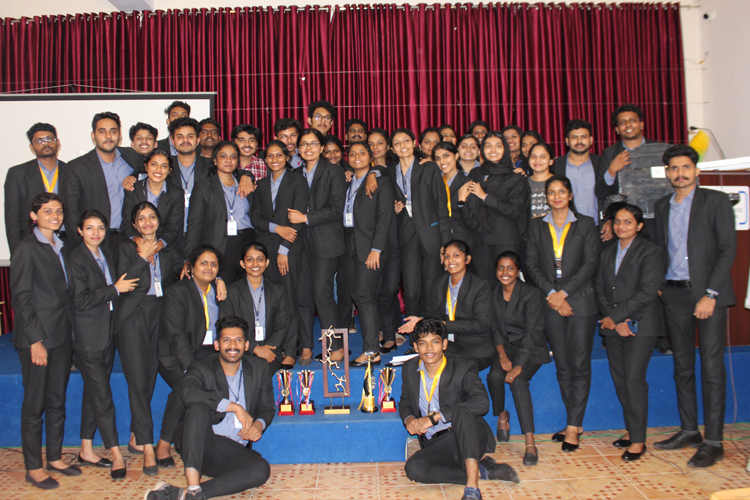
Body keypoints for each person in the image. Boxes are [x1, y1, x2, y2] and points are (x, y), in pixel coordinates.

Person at [652, 145, 736, 468]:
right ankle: (689, 430)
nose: (680, 173)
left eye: (686, 167)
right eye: (674, 168)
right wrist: (660, 286)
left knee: (712, 368)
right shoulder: (662, 206)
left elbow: (728, 250)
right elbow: (661, 249)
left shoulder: (715, 201)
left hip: (708, 296)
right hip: (674, 295)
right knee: (682, 367)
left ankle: (714, 441)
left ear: (697, 171)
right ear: (667, 173)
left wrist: (710, 294)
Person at [145, 316, 274, 500]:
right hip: (201, 444)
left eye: (238, 340)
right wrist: (233, 407)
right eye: (226, 340)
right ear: (216, 345)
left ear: (246, 345)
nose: (233, 346)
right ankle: (193, 484)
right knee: (198, 408)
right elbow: (187, 392)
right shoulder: (201, 367)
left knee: (261, 469)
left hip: (232, 449)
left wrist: (258, 425)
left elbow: (267, 407)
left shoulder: (259, 368)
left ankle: (183, 494)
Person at [400, 319, 518, 500]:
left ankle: (472, 489)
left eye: (435, 342)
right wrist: (409, 419)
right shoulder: (410, 368)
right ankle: (482, 471)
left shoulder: (463, 366)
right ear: (416, 347)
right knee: (414, 468)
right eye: (423, 343)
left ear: (444, 344)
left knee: (460, 411)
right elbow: (405, 401)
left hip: (467, 433)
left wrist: (435, 417)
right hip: (438, 441)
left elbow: (481, 402)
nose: (429, 349)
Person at [524, 175, 600, 452]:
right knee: (563, 366)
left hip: (580, 302)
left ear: (570, 195)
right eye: (551, 192)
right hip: (550, 302)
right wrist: (552, 294)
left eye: (561, 191)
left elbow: (590, 264)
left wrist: (564, 293)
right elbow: (531, 264)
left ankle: (572, 426)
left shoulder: (586, 224)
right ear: (546, 196)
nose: (556, 196)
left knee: (579, 365)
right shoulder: (536, 225)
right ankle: (573, 422)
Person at [11, 192, 77, 490]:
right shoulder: (26, 248)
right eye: (48, 211)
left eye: (59, 211)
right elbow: (21, 299)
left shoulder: (61, 246)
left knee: (57, 400)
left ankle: (54, 458)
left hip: (62, 335)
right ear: (33, 215)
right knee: (35, 404)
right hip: (38, 338)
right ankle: (33, 467)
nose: (55, 216)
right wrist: (35, 341)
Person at [69, 210, 136, 480]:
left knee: (93, 393)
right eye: (90, 228)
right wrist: (116, 289)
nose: (96, 233)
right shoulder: (75, 259)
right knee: (103, 396)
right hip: (88, 339)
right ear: (80, 231)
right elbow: (80, 300)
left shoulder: (106, 252)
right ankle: (116, 454)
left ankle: (86, 449)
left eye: (100, 228)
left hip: (107, 333)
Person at [594, 203, 664, 461]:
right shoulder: (607, 251)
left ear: (639, 225)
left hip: (640, 326)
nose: (621, 226)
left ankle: (638, 440)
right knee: (621, 380)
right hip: (614, 326)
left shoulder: (651, 252)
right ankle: (631, 429)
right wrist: (612, 319)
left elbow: (647, 292)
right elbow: (599, 286)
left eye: (627, 222)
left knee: (634, 381)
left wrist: (617, 317)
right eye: (617, 221)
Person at [115, 201, 180, 476]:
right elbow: (125, 282)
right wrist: (142, 257)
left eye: (152, 217)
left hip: (160, 315)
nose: (147, 222)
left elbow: (177, 279)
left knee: (151, 378)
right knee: (138, 381)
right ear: (134, 224)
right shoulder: (126, 247)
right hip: (133, 316)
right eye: (141, 218)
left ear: (159, 220)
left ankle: (136, 436)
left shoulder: (168, 250)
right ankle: (148, 447)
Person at [288, 128, 347, 364]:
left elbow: (336, 208)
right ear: (298, 149)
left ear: (322, 147)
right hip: (298, 241)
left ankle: (335, 346)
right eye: (304, 144)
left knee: (322, 293)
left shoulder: (334, 171)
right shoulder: (294, 174)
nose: (308, 148)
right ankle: (306, 347)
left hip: (325, 241)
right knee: (303, 295)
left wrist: (306, 217)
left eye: (313, 143)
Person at [161, 245, 222, 469]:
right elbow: (176, 336)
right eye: (203, 263)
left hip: (207, 352)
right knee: (186, 388)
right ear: (191, 267)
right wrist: (189, 368)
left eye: (213, 264)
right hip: (175, 355)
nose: (209, 268)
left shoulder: (218, 291)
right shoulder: (177, 292)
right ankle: (163, 444)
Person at [250, 140, 309, 368]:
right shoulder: (261, 184)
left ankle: (291, 351)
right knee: (272, 301)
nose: (274, 160)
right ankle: (275, 347)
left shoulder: (298, 181)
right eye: (270, 156)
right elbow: (256, 218)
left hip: (289, 249)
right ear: (265, 159)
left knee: (289, 299)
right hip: (266, 248)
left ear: (287, 157)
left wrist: (284, 249)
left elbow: (299, 218)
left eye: (279, 155)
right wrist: (276, 229)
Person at [487, 251, 550, 465]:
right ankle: (502, 415)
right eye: (500, 268)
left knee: (519, 381)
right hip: (506, 349)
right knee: (494, 376)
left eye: (510, 268)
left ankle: (530, 443)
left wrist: (518, 365)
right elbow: (494, 328)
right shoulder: (492, 292)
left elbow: (533, 333)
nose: (505, 272)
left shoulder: (531, 293)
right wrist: (503, 356)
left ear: (518, 271)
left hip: (530, 350)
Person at [400, 240, 493, 372]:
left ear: (467, 259)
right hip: (447, 345)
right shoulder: (437, 284)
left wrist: (441, 324)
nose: (450, 260)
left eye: (456, 255)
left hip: (475, 348)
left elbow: (481, 325)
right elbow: (433, 316)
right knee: (415, 366)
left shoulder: (480, 285)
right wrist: (422, 321)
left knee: (451, 369)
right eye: (447, 256)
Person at [340, 142, 395, 366]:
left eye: (362, 153)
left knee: (364, 296)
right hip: (348, 243)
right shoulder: (347, 181)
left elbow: (385, 217)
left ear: (371, 158)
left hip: (370, 246)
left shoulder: (381, 181)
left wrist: (376, 249)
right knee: (359, 296)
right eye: (352, 154)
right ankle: (373, 344)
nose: (357, 157)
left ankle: (372, 351)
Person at [386, 128, 450, 318]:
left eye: (406, 141)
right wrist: (392, 207)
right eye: (397, 143)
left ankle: (431, 331)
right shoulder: (389, 172)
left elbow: (442, 207)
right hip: (406, 237)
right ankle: (414, 333)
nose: (402, 146)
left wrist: (446, 243)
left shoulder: (429, 168)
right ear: (392, 149)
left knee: (431, 290)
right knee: (411, 291)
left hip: (432, 237)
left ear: (414, 143)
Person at [458, 132, 529, 282]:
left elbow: (514, 210)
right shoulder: (475, 173)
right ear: (482, 150)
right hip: (478, 240)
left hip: (504, 240)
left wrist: (485, 197)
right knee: (484, 286)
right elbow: (470, 205)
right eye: (488, 146)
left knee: (507, 286)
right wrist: (461, 202)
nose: (493, 150)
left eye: (498, 146)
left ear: (505, 149)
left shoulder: (515, 177)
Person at [66, 111, 141, 250]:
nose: (108, 136)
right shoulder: (77, 167)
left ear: (120, 135)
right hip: (95, 241)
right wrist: (81, 245)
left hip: (128, 239)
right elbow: (71, 211)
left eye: (113, 131)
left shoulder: (131, 157)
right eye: (102, 132)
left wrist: (134, 177)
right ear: (93, 136)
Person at [184, 141, 255, 283]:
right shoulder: (203, 187)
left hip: (248, 243)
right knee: (223, 289)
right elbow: (194, 224)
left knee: (245, 290)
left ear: (238, 161)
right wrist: (189, 258)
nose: (229, 160)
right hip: (221, 245)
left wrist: (248, 176)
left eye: (233, 157)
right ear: (215, 161)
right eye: (223, 156)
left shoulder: (246, 184)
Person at [220, 242, 290, 373]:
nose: (255, 264)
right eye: (250, 260)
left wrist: (267, 349)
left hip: (270, 351)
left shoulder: (278, 290)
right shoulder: (232, 291)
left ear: (267, 263)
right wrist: (255, 348)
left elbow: (283, 325)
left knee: (261, 370)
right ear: (242, 263)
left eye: (260, 259)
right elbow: (227, 325)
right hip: (241, 349)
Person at [5, 123, 69, 254]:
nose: (46, 143)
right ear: (32, 147)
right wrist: (17, 253)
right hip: (32, 243)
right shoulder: (18, 174)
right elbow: (12, 217)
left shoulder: (71, 171)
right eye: (39, 141)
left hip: (66, 242)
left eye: (50, 139)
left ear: (58, 143)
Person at [367, 128, 404, 352]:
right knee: (378, 289)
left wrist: (399, 207)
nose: (375, 148)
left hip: (396, 236)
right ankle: (387, 332)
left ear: (388, 146)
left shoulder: (395, 169)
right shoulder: (363, 170)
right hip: (372, 238)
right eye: (371, 144)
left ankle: (383, 327)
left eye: (379, 143)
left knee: (390, 289)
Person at [553, 119, 612, 241]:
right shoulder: (556, 165)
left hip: (598, 229)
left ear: (591, 140)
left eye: (583, 137)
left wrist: (610, 220)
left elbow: (611, 193)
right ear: (567, 141)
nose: (579, 141)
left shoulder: (602, 163)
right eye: (574, 137)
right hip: (565, 230)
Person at [121, 149, 184, 254]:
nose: (158, 170)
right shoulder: (133, 189)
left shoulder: (176, 193)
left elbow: (173, 227)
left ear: (169, 170)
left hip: (165, 249)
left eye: (164, 166)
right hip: (135, 248)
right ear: (146, 167)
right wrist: (140, 243)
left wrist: (156, 247)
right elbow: (127, 223)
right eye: (154, 164)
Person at [433, 142, 473, 247]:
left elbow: (473, 220)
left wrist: (462, 203)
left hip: (463, 241)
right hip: (439, 239)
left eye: (446, 155)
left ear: (456, 155)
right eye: (437, 158)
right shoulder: (434, 183)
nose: (442, 161)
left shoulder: (467, 183)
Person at [527, 142, 554, 218]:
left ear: (551, 161)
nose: (537, 160)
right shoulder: (522, 183)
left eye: (542, 157)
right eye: (533, 157)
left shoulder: (559, 182)